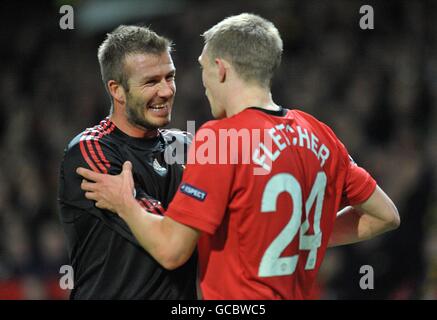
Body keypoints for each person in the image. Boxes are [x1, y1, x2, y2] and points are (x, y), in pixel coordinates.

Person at [77, 14, 400, 299]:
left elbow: (171, 250)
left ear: (220, 70)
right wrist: (301, 237)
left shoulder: (221, 139)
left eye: (203, 68)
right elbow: (385, 216)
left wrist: (125, 203)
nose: (200, 84)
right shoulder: (319, 133)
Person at [58, 25, 197, 299]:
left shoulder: (186, 145)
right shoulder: (91, 150)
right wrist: (205, 211)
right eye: (151, 81)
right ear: (117, 90)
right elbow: (170, 243)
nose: (167, 91)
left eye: (170, 77)